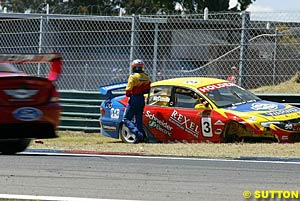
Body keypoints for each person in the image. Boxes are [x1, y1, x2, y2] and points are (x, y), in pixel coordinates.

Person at [123, 59, 151, 143]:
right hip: (142, 98)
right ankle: (139, 138)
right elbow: (148, 89)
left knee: (126, 119)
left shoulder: (133, 76)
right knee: (138, 119)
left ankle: (137, 133)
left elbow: (128, 90)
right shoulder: (146, 77)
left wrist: (129, 95)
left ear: (133, 67)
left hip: (134, 98)